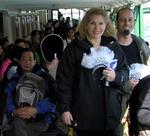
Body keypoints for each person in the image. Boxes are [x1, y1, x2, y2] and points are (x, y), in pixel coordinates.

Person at [56, 8, 129, 136]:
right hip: (84, 115)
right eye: (92, 23)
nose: (97, 28)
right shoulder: (74, 48)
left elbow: (125, 71)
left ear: (106, 25)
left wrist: (116, 76)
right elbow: (64, 81)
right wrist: (65, 109)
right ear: (85, 25)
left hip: (109, 115)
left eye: (101, 23)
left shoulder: (113, 46)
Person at [4, 48, 57, 136]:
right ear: (19, 62)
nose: (27, 62)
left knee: (15, 130)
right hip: (19, 116)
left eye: (30, 59)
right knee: (17, 123)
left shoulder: (45, 77)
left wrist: (36, 109)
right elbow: (7, 96)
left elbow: (53, 99)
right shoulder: (15, 78)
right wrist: (14, 111)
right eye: (24, 59)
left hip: (42, 118)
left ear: (35, 61)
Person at [116, 7, 150, 135]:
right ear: (117, 22)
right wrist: (126, 85)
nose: (127, 23)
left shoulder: (140, 44)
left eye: (130, 19)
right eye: (123, 20)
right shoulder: (110, 47)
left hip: (140, 100)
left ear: (134, 22)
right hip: (119, 103)